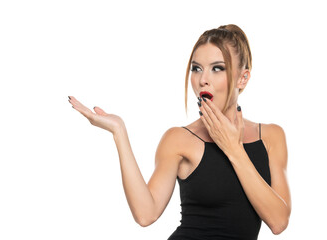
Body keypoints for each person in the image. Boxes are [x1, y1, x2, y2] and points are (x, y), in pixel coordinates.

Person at [68, 24, 291, 240]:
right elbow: (146, 214)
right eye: (196, 68)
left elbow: (279, 222)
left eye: (217, 68)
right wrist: (119, 132)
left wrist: (233, 148)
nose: (203, 79)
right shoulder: (179, 139)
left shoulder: (271, 137)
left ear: (243, 78)